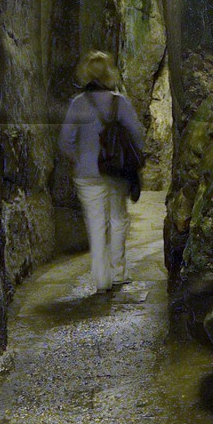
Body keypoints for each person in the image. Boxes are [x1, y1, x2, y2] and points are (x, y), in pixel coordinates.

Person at [57, 49, 146, 298]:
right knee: (118, 220)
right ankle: (118, 273)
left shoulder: (78, 103)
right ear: (110, 73)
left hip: (87, 174)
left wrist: (80, 159)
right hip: (116, 171)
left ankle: (101, 280)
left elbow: (65, 141)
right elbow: (137, 135)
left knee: (96, 226)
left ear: (85, 74)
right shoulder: (120, 102)